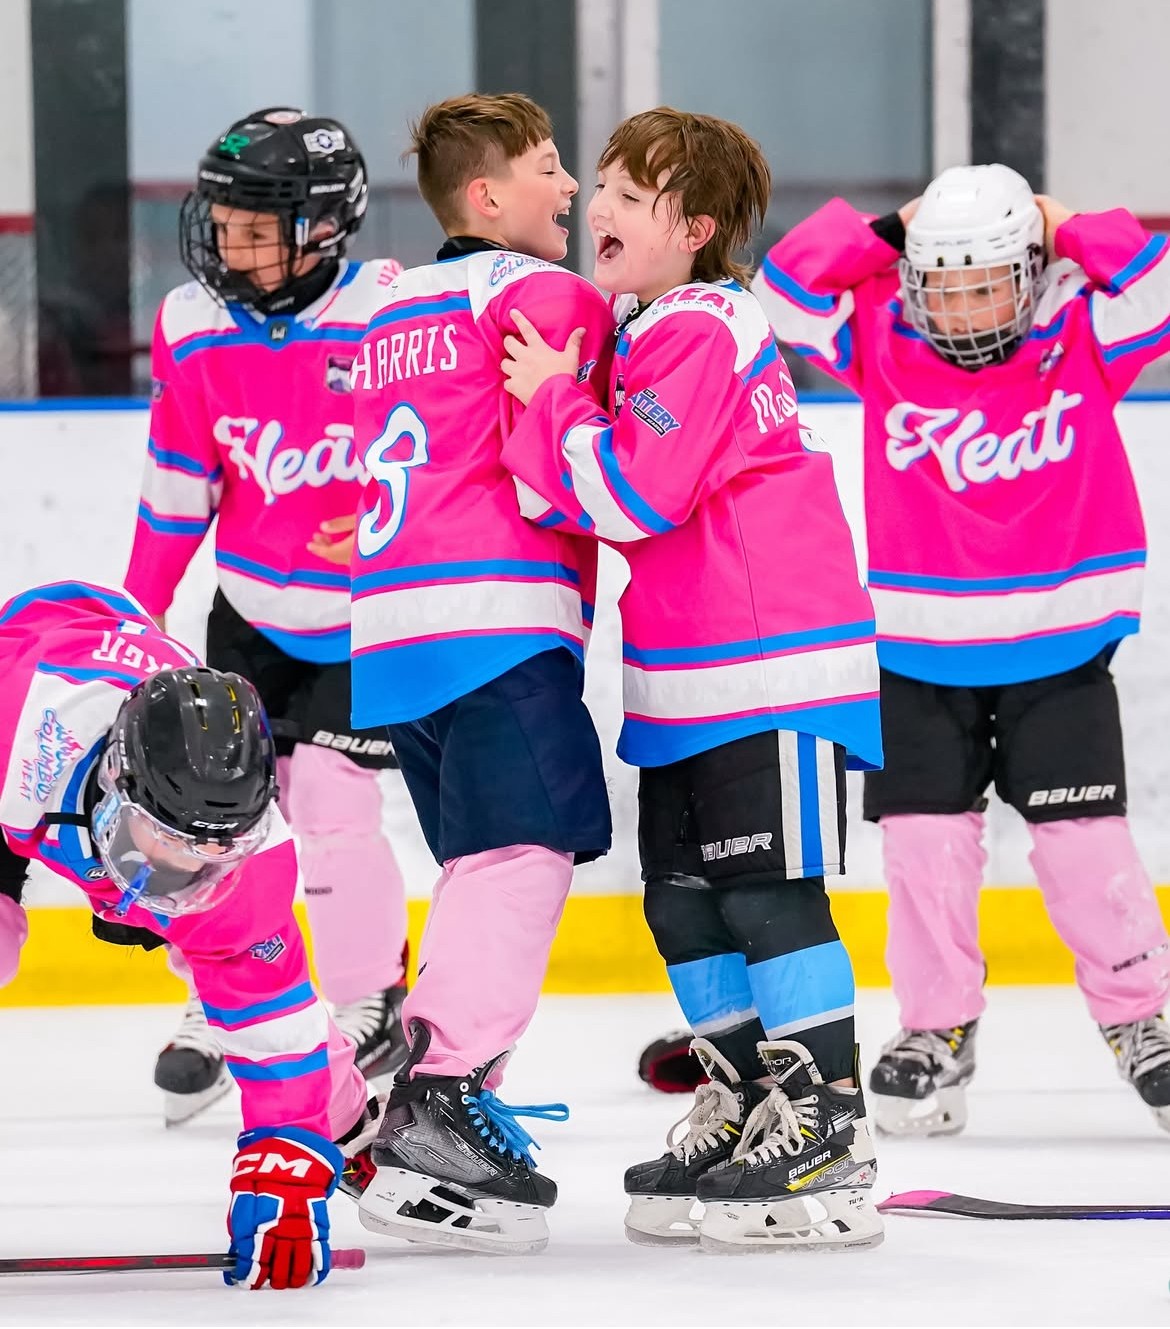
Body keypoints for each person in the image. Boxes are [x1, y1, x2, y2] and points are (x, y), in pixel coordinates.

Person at [498, 107, 885, 1252]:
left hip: (770, 660)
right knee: (681, 902)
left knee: (766, 895)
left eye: (633, 194)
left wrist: (554, 399)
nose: (601, 208)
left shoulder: (707, 325)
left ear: (698, 229)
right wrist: (565, 406)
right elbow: (567, 494)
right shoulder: (643, 334)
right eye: (602, 186)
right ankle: (754, 1102)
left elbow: (632, 497)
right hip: (685, 673)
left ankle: (829, 1127)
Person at [753, 163, 1170, 1136]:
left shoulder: (1080, 328)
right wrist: (890, 226)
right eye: (941, 283)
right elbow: (781, 290)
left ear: (1032, 271)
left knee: (1086, 847)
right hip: (916, 654)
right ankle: (936, 1029)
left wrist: (1065, 220)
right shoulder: (881, 333)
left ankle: (1141, 1017)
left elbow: (1154, 281)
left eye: (985, 283)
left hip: (1060, 652)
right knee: (923, 852)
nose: (962, 307)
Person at [343, 92, 613, 1255]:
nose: (573, 188)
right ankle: (439, 1101)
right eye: (549, 166)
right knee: (523, 852)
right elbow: (569, 469)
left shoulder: (384, 306)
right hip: (497, 616)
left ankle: (427, 1099)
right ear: (488, 195)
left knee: (476, 863)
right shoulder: (543, 296)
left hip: (391, 634)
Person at [122, 107, 410, 1126]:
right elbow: (177, 486)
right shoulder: (191, 323)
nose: (225, 243)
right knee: (218, 819)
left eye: (253, 227)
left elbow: (436, 454)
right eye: (221, 221)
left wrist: (382, 525)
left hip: (364, 622)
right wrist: (138, 615)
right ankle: (221, 996)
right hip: (245, 616)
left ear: (324, 226)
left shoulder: (389, 313)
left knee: (328, 805)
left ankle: (371, 996)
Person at [0, 581, 373, 1289]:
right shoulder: (16, 726)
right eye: (169, 841)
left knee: (255, 969)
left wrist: (286, 1158)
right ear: (117, 785)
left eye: (216, 849)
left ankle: (353, 1118)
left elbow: (272, 1020)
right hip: (23, 740)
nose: (192, 872)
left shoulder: (250, 859)